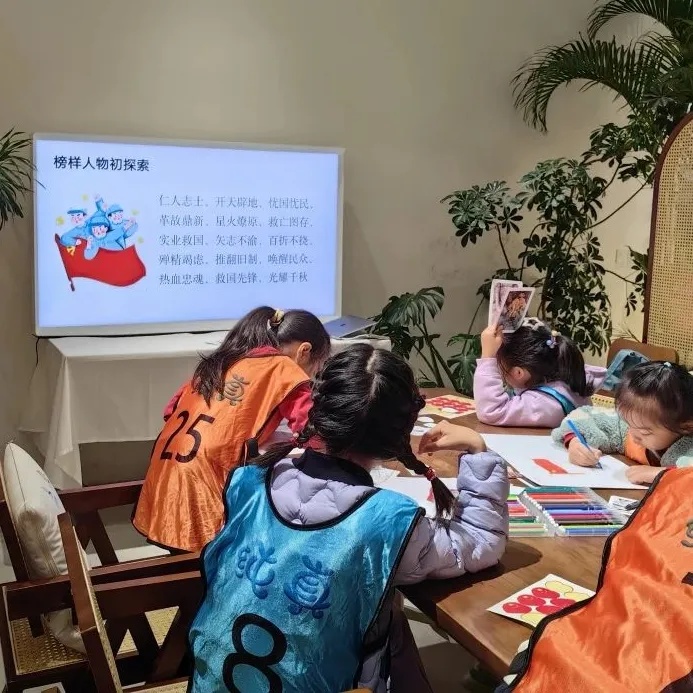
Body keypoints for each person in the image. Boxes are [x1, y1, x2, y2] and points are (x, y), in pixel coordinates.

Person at [188, 344, 509, 693]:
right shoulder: (386, 523)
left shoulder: (249, 481)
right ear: (398, 435)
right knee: (390, 623)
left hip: (211, 682)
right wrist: (477, 450)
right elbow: (481, 542)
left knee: (389, 620)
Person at [132, 306, 331, 553]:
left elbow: (170, 410)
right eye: (316, 367)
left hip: (163, 483)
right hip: (205, 494)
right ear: (304, 351)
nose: (311, 375)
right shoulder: (285, 370)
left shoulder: (225, 359)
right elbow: (311, 432)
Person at [553, 361, 693, 485]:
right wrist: (575, 442)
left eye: (644, 432)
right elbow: (582, 416)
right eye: (628, 422)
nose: (633, 435)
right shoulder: (633, 426)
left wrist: (661, 474)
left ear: (686, 426)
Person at [474, 318, 606, 428]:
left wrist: (487, 357)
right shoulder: (561, 378)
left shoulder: (544, 403)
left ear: (518, 373)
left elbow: (491, 411)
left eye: (498, 365)